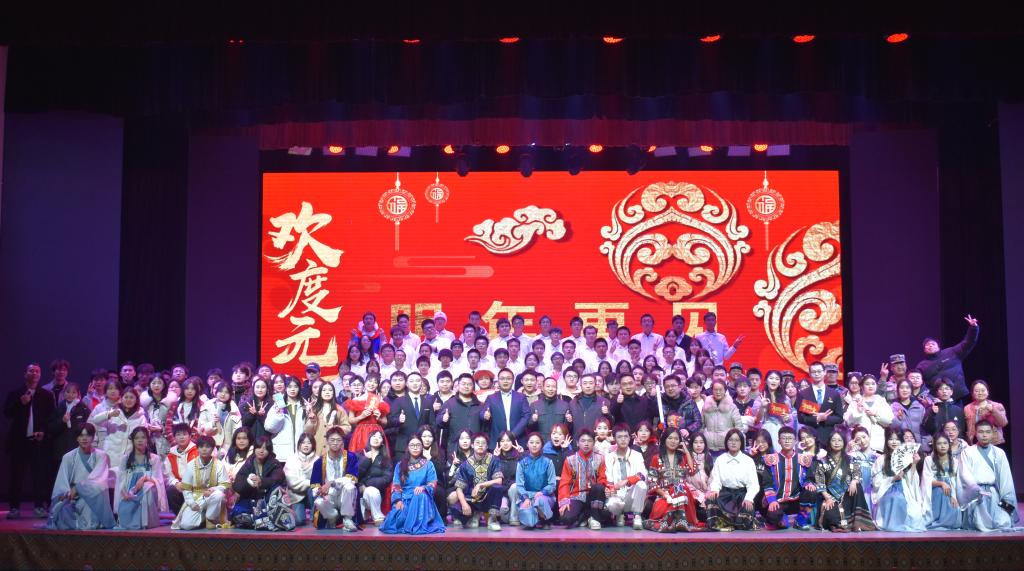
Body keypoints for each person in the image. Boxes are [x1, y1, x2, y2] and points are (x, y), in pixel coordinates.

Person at [46, 423, 115, 530]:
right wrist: (66, 493)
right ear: (77, 438)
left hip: (91, 497)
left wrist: (78, 488)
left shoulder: (101, 456)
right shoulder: (68, 457)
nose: (84, 438)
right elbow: (62, 481)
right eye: (81, 435)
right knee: (61, 511)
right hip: (72, 496)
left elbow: (99, 480)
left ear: (93, 437)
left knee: (93, 499)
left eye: (88, 435)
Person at [380, 435, 446, 535]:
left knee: (420, 495)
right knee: (395, 521)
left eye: (418, 445)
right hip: (405, 498)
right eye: (412, 445)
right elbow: (396, 485)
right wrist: (398, 500)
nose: (415, 448)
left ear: (422, 447)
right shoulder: (400, 465)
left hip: (421, 499)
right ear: (408, 447)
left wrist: (423, 488)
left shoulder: (429, 464)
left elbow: (432, 484)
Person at [961, 421, 1019, 531]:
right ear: (975, 433)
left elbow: (1005, 478)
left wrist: (1006, 497)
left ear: (993, 433)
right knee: (978, 524)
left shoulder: (999, 453)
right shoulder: (968, 452)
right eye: (981, 432)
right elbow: (965, 474)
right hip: (976, 494)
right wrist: (975, 489)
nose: (984, 435)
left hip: (994, 494)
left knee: (1003, 523)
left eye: (988, 432)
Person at [643, 427, 701, 532]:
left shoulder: (683, 457)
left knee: (680, 486)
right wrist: (665, 495)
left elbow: (692, 470)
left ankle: (677, 521)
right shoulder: (656, 458)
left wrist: (687, 452)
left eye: (676, 439)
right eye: (670, 438)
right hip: (665, 495)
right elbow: (652, 482)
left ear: (680, 441)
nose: (673, 441)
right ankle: (678, 521)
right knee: (662, 506)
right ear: (664, 439)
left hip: (683, 495)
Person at [815, 430, 875, 532]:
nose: (837, 443)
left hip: (847, 495)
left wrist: (854, 481)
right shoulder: (823, 461)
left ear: (844, 443)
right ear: (829, 442)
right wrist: (827, 498)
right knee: (832, 517)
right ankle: (842, 523)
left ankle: (858, 523)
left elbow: (857, 473)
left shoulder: (851, 459)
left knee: (858, 486)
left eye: (840, 440)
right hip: (831, 497)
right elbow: (820, 482)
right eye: (833, 440)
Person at [229, 436, 292, 530]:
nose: (261, 451)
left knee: (277, 491)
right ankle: (261, 520)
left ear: (269, 451)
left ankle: (259, 519)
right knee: (237, 511)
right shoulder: (249, 463)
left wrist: (261, 482)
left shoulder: (275, 463)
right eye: (258, 447)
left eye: (265, 448)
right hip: (252, 500)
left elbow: (277, 479)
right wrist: (249, 483)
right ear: (254, 449)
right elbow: (237, 484)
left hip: (269, 501)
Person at [760, 426, 816, 530]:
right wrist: (772, 500)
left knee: (811, 491)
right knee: (773, 519)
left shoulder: (804, 458)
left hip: (797, 500)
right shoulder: (771, 459)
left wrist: (809, 483)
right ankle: (783, 519)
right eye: (784, 438)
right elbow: (767, 483)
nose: (787, 441)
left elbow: (809, 478)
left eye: (790, 438)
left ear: (795, 441)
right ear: (779, 441)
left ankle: (800, 520)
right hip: (778, 501)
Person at [706, 429, 762, 531]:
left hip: (742, 496)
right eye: (731, 440)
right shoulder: (720, 459)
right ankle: (724, 523)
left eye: (737, 440)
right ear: (726, 442)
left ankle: (734, 522)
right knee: (711, 498)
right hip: (725, 495)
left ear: (741, 443)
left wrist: (748, 498)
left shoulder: (748, 461)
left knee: (746, 515)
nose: (733, 443)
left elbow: (753, 484)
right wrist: (715, 490)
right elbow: (716, 479)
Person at [871, 428, 927, 531]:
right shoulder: (881, 459)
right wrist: (893, 478)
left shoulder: (907, 458)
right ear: (886, 441)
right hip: (886, 489)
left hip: (904, 488)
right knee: (896, 498)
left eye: (897, 439)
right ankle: (892, 524)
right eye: (891, 439)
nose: (894, 442)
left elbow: (912, 480)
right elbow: (876, 482)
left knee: (914, 512)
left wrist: (914, 463)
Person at [172, 435, 231, 530]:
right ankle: (203, 517)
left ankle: (210, 518)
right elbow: (186, 488)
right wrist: (191, 503)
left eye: (207, 447)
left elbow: (225, 484)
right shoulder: (191, 465)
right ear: (197, 448)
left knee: (219, 495)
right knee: (186, 525)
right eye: (201, 446)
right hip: (196, 498)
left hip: (212, 497)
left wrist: (213, 490)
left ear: (213, 449)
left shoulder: (219, 465)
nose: (204, 449)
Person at [114, 427, 168, 529]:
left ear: (147, 439)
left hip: (148, 488)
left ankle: (145, 522)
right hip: (130, 489)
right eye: (137, 438)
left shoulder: (154, 458)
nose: (140, 440)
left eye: (143, 437)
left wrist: (144, 479)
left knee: (147, 488)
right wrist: (124, 492)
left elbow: (158, 479)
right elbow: (121, 479)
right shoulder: (126, 459)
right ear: (133, 440)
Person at [916, 314, 979, 402]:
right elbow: (917, 382)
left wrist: (973, 328)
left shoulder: (952, 352)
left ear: (938, 347)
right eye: (927, 345)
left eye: (933, 344)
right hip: (936, 401)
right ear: (924, 350)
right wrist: (929, 398)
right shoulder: (921, 366)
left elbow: (968, 342)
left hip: (958, 397)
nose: (930, 345)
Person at [557, 429, 609, 530]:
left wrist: (603, 488)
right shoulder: (570, 460)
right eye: (583, 441)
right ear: (577, 443)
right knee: (565, 518)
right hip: (576, 496)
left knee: (599, 488)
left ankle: (594, 517)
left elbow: (602, 479)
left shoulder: (600, 459)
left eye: (589, 441)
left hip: (594, 496)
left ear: (593, 443)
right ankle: (585, 514)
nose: (586, 444)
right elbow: (564, 483)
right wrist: (565, 501)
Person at [452, 433, 505, 530]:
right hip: (472, 500)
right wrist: (464, 504)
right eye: (477, 443)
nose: (480, 445)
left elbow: (499, 480)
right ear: (472, 445)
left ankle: (492, 519)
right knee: (455, 509)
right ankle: (475, 515)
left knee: (497, 488)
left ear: (487, 446)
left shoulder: (494, 460)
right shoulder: (465, 465)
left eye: (483, 443)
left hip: (488, 499)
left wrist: (481, 485)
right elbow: (459, 488)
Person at [310, 426, 360, 530]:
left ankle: (347, 519)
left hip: (344, 494)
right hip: (329, 495)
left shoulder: (351, 457)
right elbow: (314, 485)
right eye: (332, 440)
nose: (335, 443)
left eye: (338, 440)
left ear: (343, 442)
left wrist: (331, 482)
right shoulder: (319, 462)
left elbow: (352, 479)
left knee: (350, 487)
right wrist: (320, 492)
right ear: (327, 441)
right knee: (318, 502)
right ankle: (332, 517)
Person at [604, 424, 648, 529]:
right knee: (611, 503)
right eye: (619, 437)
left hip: (631, 494)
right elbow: (608, 479)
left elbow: (643, 474)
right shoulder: (609, 457)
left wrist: (627, 481)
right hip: (617, 494)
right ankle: (619, 514)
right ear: (614, 439)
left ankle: (637, 516)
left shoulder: (637, 455)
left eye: (626, 436)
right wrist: (610, 489)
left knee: (642, 485)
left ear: (629, 438)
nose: (623, 439)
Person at [921, 433, 965, 530]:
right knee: (940, 492)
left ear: (949, 445)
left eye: (945, 443)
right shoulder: (929, 460)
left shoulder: (954, 461)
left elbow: (954, 481)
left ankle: (947, 522)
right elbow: (926, 479)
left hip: (950, 490)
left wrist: (954, 496)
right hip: (934, 489)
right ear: (935, 446)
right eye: (939, 443)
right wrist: (941, 483)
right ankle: (937, 521)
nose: (942, 446)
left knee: (955, 509)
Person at [795, 362, 844, 448]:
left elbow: (839, 418)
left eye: (819, 371)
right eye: (814, 372)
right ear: (810, 374)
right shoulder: (803, 394)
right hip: (810, 437)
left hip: (828, 436)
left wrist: (826, 418)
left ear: (824, 372)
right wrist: (816, 419)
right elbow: (800, 418)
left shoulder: (834, 394)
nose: (816, 374)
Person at [515, 432, 557, 529]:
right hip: (528, 497)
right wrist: (526, 498)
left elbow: (552, 484)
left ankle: (545, 519)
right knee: (529, 522)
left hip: (544, 496)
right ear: (527, 444)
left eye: (537, 442)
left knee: (540, 501)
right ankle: (534, 518)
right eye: (531, 442)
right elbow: (519, 485)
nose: (534, 445)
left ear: (542, 445)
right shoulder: (522, 463)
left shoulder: (548, 462)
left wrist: (542, 492)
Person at [843, 374, 893, 452]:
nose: (870, 386)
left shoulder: (881, 401)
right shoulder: (855, 401)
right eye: (867, 384)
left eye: (873, 384)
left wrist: (876, 415)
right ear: (862, 386)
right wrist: (858, 411)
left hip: (878, 445)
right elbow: (849, 423)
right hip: (859, 445)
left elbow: (889, 421)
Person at [388, 374, 434, 457]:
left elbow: (432, 424)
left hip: (422, 446)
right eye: (411, 381)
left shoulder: (427, 402)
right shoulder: (399, 401)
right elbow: (390, 420)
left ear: (421, 383)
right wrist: (398, 420)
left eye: (418, 381)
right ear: (407, 384)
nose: (415, 383)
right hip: (403, 446)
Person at [481, 368, 531, 445]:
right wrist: (485, 415)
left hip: (518, 440)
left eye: (508, 378)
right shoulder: (491, 398)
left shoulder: (521, 397)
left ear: (513, 380)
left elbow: (526, 416)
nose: (505, 381)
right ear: (498, 381)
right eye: (502, 379)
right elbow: (482, 413)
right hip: (497, 441)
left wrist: (513, 434)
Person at [265, 376, 310, 462]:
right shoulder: (279, 404)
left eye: (295, 386)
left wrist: (310, 416)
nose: (292, 389)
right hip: (282, 453)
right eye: (289, 387)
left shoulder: (305, 405)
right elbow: (269, 428)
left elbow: (310, 430)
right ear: (285, 388)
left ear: (299, 388)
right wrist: (278, 416)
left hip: (302, 452)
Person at [436, 374, 483, 455]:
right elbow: (438, 422)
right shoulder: (449, 403)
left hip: (476, 449)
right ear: (458, 385)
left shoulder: (480, 405)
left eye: (469, 384)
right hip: (454, 448)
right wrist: (442, 419)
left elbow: (485, 427)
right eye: (463, 384)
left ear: (473, 387)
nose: (466, 386)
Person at [48, 383, 92, 467]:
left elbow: (90, 427)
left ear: (78, 394)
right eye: (68, 392)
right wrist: (62, 421)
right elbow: (51, 428)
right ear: (64, 393)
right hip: (61, 450)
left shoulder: (84, 409)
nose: (70, 395)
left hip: (78, 448)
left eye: (73, 392)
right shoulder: (59, 408)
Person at [344, 376, 391, 454]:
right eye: (370, 381)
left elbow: (385, 422)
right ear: (365, 383)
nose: (372, 384)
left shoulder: (380, 400)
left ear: (377, 385)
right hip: (361, 432)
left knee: (377, 456)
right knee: (360, 456)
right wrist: (361, 416)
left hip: (376, 432)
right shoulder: (355, 400)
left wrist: (378, 418)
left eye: (375, 382)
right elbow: (351, 420)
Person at [356, 427, 392, 525]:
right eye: (374, 436)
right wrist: (365, 459)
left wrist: (366, 485)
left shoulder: (386, 459)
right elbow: (354, 475)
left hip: (375, 493)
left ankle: (377, 517)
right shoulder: (359, 454)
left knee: (371, 490)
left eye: (379, 437)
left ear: (382, 442)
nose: (376, 438)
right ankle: (364, 513)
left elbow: (387, 479)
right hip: (358, 493)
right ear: (369, 439)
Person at [305, 382, 351, 457]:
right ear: (320, 393)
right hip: (317, 447)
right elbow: (308, 432)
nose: (327, 392)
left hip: (335, 448)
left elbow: (347, 428)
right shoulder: (314, 409)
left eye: (330, 390)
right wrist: (312, 420)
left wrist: (336, 427)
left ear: (333, 393)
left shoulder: (340, 409)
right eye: (324, 390)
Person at [199, 381, 243, 458]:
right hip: (209, 444)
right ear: (216, 392)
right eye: (220, 391)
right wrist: (212, 423)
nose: (223, 394)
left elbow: (237, 429)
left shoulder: (234, 408)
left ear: (230, 394)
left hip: (227, 446)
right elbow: (201, 428)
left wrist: (233, 446)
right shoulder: (207, 405)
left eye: (226, 392)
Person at [164, 422, 199, 515]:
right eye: (178, 435)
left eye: (184, 434)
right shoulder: (171, 454)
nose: (181, 437)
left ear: (190, 436)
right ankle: (180, 517)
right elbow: (168, 475)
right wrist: (176, 483)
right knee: (170, 491)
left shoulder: (197, 451)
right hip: (180, 487)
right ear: (174, 437)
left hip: (195, 487)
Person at [283, 433, 317, 526]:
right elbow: (292, 483)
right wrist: (310, 482)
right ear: (299, 445)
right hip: (296, 495)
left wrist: (311, 484)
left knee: (314, 489)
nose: (306, 445)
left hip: (312, 495)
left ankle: (315, 516)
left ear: (313, 445)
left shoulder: (317, 460)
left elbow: (319, 482)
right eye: (303, 443)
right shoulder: (291, 459)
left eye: (309, 443)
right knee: (299, 521)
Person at [702, 380, 743, 455]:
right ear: (712, 390)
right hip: (708, 448)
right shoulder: (706, 406)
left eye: (720, 390)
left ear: (725, 390)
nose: (718, 392)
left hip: (727, 448)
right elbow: (701, 426)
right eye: (715, 389)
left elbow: (739, 428)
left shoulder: (732, 407)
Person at [963, 379, 1008, 444]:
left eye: (983, 390)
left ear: (988, 392)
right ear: (972, 393)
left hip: (994, 443)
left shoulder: (997, 406)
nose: (980, 393)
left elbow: (1003, 423)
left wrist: (993, 410)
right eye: (977, 391)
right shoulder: (967, 408)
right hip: (974, 443)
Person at [141, 376, 175, 456]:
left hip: (166, 439)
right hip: (150, 440)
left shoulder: (170, 402)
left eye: (159, 383)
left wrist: (162, 428)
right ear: (149, 385)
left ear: (164, 385)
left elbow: (175, 422)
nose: (156, 385)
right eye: (153, 383)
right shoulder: (145, 403)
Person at [891, 379, 928, 447]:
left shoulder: (919, 407)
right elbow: (891, 428)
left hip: (918, 445)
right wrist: (899, 419)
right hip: (900, 446)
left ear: (911, 390)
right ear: (897, 390)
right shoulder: (892, 407)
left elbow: (925, 429)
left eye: (907, 388)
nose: (904, 390)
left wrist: (924, 445)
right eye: (902, 387)